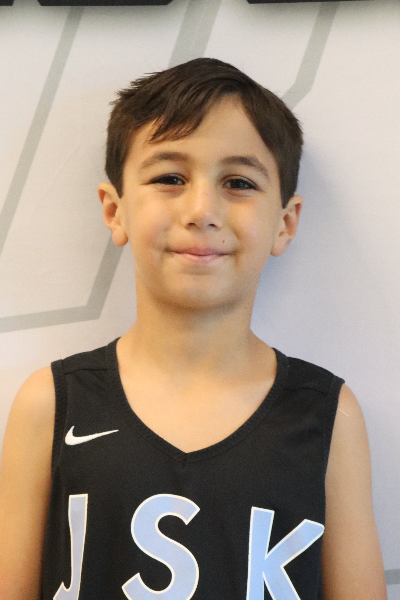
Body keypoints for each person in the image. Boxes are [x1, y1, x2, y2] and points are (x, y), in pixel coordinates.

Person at [0, 58, 387, 600]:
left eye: (238, 182)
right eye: (170, 178)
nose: (202, 210)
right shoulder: (49, 404)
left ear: (285, 222)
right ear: (115, 211)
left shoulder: (328, 415)